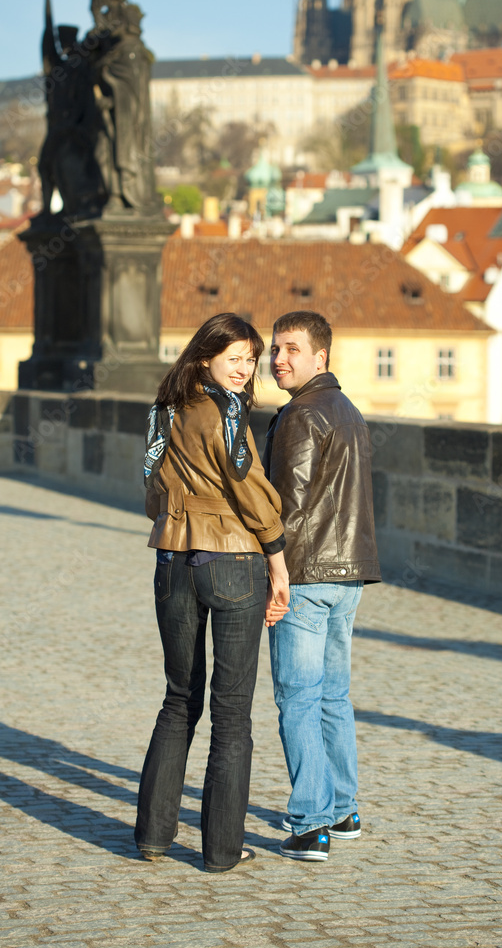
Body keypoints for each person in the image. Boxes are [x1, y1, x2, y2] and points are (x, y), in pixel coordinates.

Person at [134, 313, 289, 872]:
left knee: (179, 700)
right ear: (205, 357)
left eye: (251, 360)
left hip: (172, 560)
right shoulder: (225, 410)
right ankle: (222, 850)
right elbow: (247, 484)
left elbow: (151, 487)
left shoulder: (163, 408)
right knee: (231, 713)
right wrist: (278, 558)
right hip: (231, 562)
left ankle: (152, 836)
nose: (246, 371)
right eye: (235, 360)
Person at [263, 311, 381, 862]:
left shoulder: (302, 414)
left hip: (305, 576)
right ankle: (343, 807)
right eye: (275, 348)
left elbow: (288, 505)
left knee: (298, 697)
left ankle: (311, 824)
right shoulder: (348, 410)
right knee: (333, 695)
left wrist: (273, 571)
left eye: (291, 349)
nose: (278, 358)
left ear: (320, 357)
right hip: (348, 574)